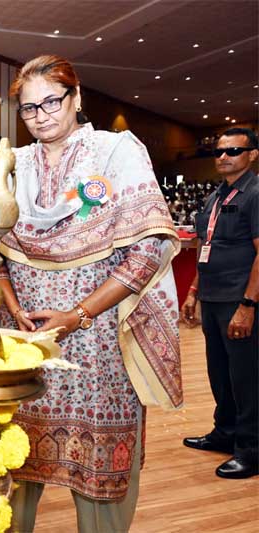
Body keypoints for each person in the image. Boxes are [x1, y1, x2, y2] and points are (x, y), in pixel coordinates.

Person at [0, 55, 182, 532]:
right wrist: (16, 312)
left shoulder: (115, 154)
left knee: (101, 476)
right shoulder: (12, 165)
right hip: (24, 342)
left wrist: (76, 314)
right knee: (11, 461)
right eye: (29, 108)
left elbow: (146, 252)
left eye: (51, 102)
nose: (40, 116)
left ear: (77, 98)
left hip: (98, 342)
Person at [182, 128, 258, 479]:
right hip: (213, 297)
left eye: (234, 150)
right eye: (219, 151)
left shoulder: (255, 194)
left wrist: (248, 304)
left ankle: (252, 450)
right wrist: (194, 290)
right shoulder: (216, 196)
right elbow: (206, 248)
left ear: (252, 155)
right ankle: (225, 433)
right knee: (220, 374)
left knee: (247, 379)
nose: (224, 156)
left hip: (239, 299)